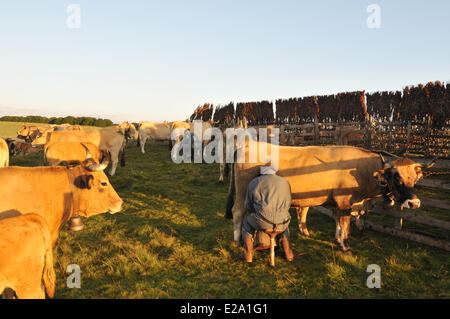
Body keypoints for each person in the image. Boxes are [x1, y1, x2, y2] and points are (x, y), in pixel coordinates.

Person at [241, 166, 295, 263]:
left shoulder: (254, 182)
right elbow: (289, 203)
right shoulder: (285, 182)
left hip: (263, 222)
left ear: (261, 173)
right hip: (281, 223)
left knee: (246, 223)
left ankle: (248, 255)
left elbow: (248, 206)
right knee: (284, 224)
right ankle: (289, 254)